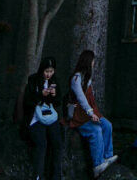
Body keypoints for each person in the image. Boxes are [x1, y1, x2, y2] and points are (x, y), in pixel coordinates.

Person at [68, 50, 117, 178]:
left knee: (107, 125)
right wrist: (91, 113)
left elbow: (90, 98)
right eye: (93, 61)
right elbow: (81, 99)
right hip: (78, 115)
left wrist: (94, 113)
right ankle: (98, 165)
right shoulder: (76, 78)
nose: (94, 63)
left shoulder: (87, 78)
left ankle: (108, 156)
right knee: (95, 130)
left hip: (88, 113)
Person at [23, 55, 63, 180]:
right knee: (41, 144)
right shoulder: (33, 80)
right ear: (42, 70)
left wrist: (54, 95)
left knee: (57, 142)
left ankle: (55, 176)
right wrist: (40, 94)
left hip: (49, 116)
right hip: (35, 116)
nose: (48, 74)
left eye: (51, 71)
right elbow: (28, 100)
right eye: (47, 71)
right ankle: (38, 176)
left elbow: (58, 101)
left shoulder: (54, 81)